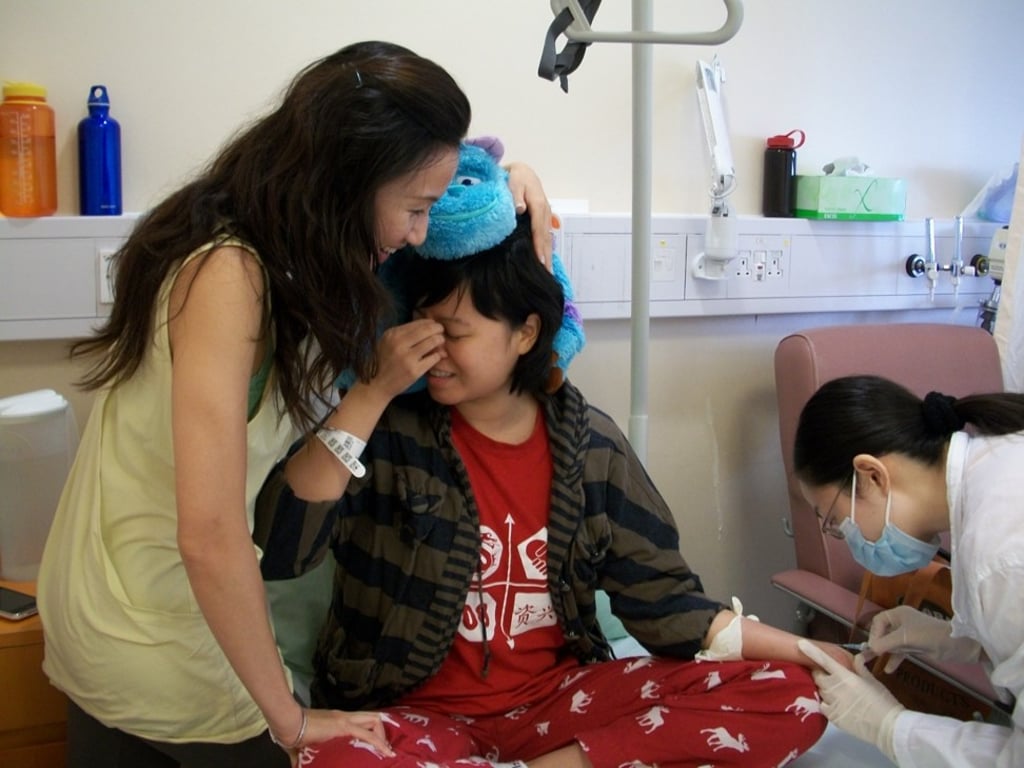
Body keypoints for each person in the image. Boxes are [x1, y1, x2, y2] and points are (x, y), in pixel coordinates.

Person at [37, 40, 552, 768]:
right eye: (414, 209)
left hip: (106, 610)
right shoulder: (229, 274)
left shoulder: (253, 238)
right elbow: (211, 533)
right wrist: (292, 719)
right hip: (153, 634)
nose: (417, 233)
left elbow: (428, 164)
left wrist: (511, 178)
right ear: (348, 181)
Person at [255, 204, 841, 768]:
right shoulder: (384, 433)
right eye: (419, 326)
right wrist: (370, 393)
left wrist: (820, 654)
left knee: (793, 694)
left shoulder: (592, 450)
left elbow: (672, 608)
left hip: (559, 707)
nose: (429, 350)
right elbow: (282, 546)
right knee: (332, 759)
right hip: (411, 716)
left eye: (453, 333)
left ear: (526, 333)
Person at [792, 374, 1024, 767]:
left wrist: (890, 727)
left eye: (834, 520)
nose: (843, 537)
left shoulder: (1000, 554)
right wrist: (968, 639)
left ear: (872, 475)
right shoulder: (999, 460)